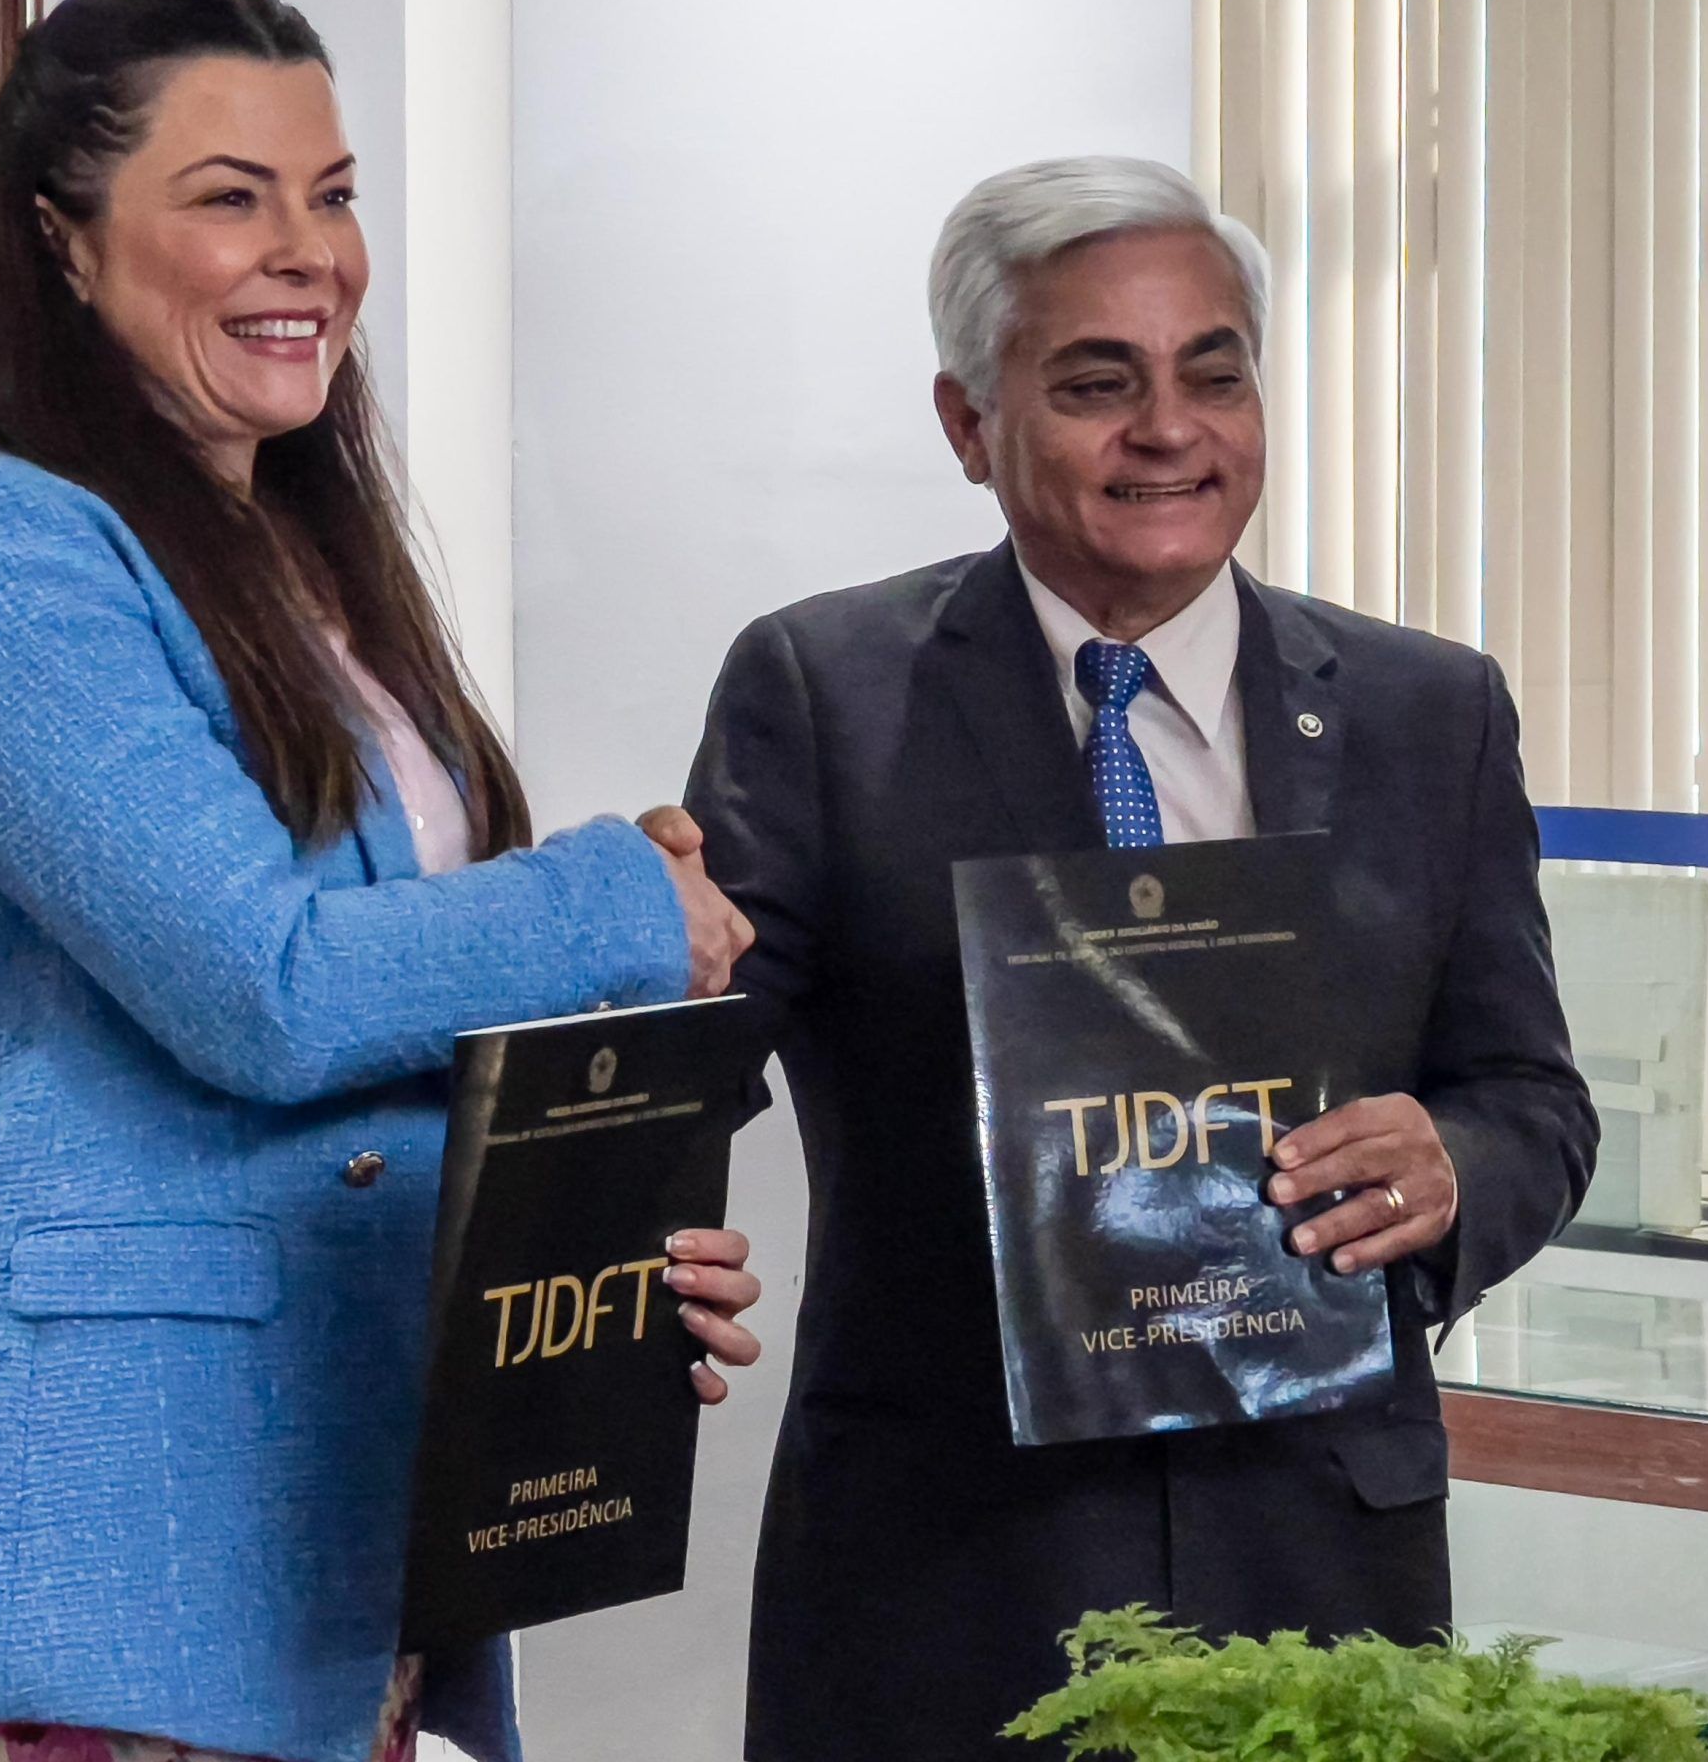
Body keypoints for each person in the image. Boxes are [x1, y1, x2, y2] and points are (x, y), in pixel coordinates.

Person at [0, 0, 761, 1762]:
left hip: (349, 1519)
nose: (309, 251)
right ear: (64, 239)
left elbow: (405, 1032)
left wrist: (603, 1256)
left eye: (334, 193)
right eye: (232, 197)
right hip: (89, 1551)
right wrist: (616, 900)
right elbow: (273, 987)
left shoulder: (321, 576)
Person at [680, 156, 1598, 1760]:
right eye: (1098, 385)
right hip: (948, 1574)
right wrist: (632, 1013)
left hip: (1320, 1567)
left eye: (1213, 375)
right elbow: (687, 1059)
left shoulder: (1428, 713)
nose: (1169, 430)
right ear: (970, 425)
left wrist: (1453, 1167)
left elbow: (1532, 1096)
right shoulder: (826, 693)